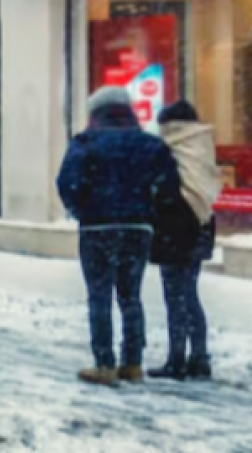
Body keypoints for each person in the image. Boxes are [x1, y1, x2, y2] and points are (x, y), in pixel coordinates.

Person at [57, 86, 180, 386]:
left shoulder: (86, 143)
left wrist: (83, 209)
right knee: (130, 296)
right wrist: (148, 212)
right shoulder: (151, 145)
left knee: (99, 295)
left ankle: (104, 363)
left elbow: (67, 182)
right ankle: (132, 362)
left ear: (96, 112)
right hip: (137, 229)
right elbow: (170, 187)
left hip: (97, 228)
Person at [149, 101, 221, 381]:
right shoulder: (202, 145)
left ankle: (176, 360)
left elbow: (164, 190)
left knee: (176, 296)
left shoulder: (170, 149)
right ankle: (199, 358)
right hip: (202, 224)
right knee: (189, 293)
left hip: (176, 226)